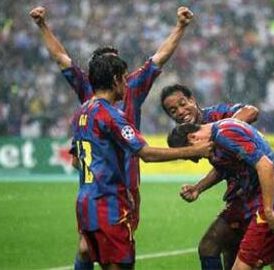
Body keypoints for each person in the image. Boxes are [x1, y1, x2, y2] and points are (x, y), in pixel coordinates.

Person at [30, 5, 194, 269]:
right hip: (109, 191)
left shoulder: (128, 88)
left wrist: (180, 27)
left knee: (87, 248)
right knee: (112, 256)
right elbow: (61, 57)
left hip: (112, 188)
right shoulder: (92, 92)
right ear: (108, 74)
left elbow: (160, 57)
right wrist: (42, 26)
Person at [73, 54, 211, 269]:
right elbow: (145, 153)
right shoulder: (112, 116)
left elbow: (75, 160)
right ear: (116, 79)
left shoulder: (83, 111)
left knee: (86, 252)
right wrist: (191, 151)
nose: (127, 84)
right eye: (125, 78)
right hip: (109, 204)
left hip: (85, 202)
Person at [168, 119, 274, 270]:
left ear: (193, 138)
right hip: (264, 200)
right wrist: (198, 188)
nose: (196, 160)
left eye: (191, 154)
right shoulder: (218, 138)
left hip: (271, 202)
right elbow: (225, 167)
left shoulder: (225, 135)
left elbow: (265, 165)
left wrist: (269, 211)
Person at [161, 84, 259, 269]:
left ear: (192, 100)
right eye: (173, 110)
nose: (180, 111)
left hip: (257, 193)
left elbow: (251, 111)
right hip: (241, 195)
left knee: (210, 246)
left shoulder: (216, 116)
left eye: (183, 103)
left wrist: (218, 134)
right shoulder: (190, 136)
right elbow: (223, 167)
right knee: (229, 254)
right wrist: (198, 187)